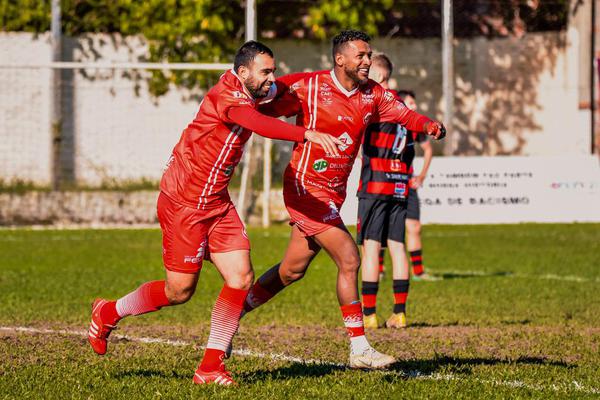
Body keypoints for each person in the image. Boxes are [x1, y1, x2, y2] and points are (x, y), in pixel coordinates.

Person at [87, 40, 341, 386]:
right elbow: (258, 123)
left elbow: (289, 83)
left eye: (272, 70)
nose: (272, 78)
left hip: (216, 203)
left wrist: (331, 76)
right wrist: (305, 133)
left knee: (240, 277)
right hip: (184, 203)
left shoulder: (256, 88)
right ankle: (108, 311)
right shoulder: (228, 96)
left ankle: (210, 367)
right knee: (180, 291)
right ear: (242, 72)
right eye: (266, 71)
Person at [239, 30, 445, 369]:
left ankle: (234, 311)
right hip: (305, 188)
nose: (367, 61)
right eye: (361, 56)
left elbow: (402, 115)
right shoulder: (308, 87)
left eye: (369, 55)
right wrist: (245, 95)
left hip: (332, 193)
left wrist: (428, 124)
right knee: (350, 259)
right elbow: (265, 104)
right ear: (340, 59)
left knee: (292, 270)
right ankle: (359, 348)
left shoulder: (372, 94)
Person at [356, 54, 435, 332]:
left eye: (365, 72)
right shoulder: (405, 107)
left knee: (370, 248)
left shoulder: (376, 101)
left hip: (375, 184)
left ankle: (369, 315)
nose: (360, 77)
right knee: (398, 247)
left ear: (377, 75)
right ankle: (399, 313)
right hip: (400, 186)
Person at [396, 90, 436, 282]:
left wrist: (421, 176)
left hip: (408, 184)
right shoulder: (389, 124)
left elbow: (428, 149)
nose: (415, 107)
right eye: (411, 103)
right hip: (389, 183)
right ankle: (378, 269)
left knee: (414, 226)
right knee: (386, 230)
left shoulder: (415, 126)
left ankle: (418, 272)